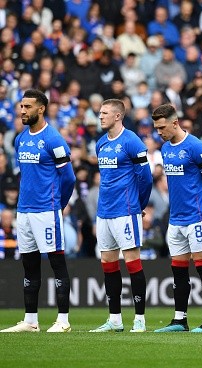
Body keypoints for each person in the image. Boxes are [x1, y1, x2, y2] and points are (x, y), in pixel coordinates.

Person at [0, 89, 75, 333]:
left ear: (41, 109)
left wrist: (58, 206)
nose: (23, 111)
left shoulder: (53, 139)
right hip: (24, 211)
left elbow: (69, 179)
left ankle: (63, 321)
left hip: (46, 211)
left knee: (57, 264)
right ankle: (30, 320)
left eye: (28, 107)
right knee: (29, 264)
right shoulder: (21, 138)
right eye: (22, 106)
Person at [151, 104, 202, 333]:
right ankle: (180, 320)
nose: (159, 132)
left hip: (197, 215)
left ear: (174, 122)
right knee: (178, 269)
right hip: (176, 218)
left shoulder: (196, 146)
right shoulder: (165, 148)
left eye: (162, 127)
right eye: (156, 128)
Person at [89, 99, 153, 333]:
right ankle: (115, 318)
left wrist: (139, 204)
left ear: (118, 116)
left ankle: (139, 319)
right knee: (108, 263)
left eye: (105, 113)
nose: (100, 116)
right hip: (104, 211)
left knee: (132, 262)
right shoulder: (101, 144)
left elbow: (146, 178)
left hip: (126, 211)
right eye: (100, 112)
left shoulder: (132, 141)